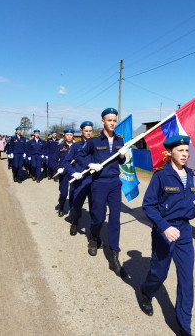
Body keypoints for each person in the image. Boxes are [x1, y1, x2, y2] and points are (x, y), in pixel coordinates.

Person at [139, 135, 195, 336]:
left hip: (184, 232)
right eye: (180, 151)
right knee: (159, 272)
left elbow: (193, 197)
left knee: (186, 280)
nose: (185, 154)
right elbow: (148, 205)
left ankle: (184, 327)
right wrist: (164, 226)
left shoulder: (191, 174)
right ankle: (147, 292)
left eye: (187, 151)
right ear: (170, 152)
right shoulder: (160, 176)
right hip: (165, 231)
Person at [75, 108, 127, 277]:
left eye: (114, 120)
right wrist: (90, 165)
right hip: (99, 182)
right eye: (109, 120)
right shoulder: (94, 141)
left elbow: (122, 161)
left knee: (115, 218)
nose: (112, 123)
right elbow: (81, 155)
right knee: (98, 216)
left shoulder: (120, 139)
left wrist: (123, 156)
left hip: (114, 182)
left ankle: (114, 256)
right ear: (103, 121)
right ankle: (93, 236)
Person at [63, 121, 94, 236]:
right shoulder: (76, 146)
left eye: (90, 131)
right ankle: (74, 222)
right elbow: (66, 162)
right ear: (81, 131)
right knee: (76, 205)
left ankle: (93, 231)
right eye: (86, 131)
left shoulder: (96, 145)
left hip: (93, 181)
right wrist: (73, 173)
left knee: (94, 207)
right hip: (79, 181)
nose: (88, 133)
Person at [53, 128, 75, 217]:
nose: (69, 136)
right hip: (63, 172)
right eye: (67, 135)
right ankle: (61, 205)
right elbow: (53, 160)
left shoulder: (77, 146)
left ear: (73, 136)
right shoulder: (60, 146)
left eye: (70, 135)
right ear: (64, 136)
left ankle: (73, 211)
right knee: (64, 193)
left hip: (73, 172)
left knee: (73, 193)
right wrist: (58, 168)